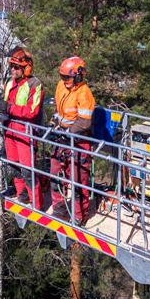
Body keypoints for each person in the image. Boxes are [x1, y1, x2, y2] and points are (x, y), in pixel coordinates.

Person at [50, 56, 95, 224]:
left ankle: (78, 215)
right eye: (62, 77)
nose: (64, 81)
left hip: (78, 140)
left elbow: (84, 121)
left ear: (78, 75)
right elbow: (58, 109)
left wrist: (68, 132)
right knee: (55, 174)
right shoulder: (61, 86)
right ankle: (60, 209)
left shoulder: (84, 93)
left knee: (78, 179)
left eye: (67, 77)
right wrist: (54, 124)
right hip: (62, 136)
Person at [0, 46, 44, 209]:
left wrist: (9, 108)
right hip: (9, 129)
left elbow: (32, 111)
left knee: (27, 169)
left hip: (25, 132)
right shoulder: (9, 83)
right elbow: (5, 103)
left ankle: (36, 203)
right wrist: (1, 108)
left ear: (26, 67)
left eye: (17, 67)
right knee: (13, 165)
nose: (13, 69)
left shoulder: (34, 84)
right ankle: (22, 195)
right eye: (12, 66)